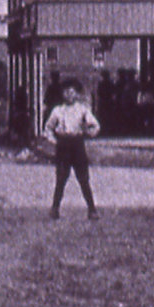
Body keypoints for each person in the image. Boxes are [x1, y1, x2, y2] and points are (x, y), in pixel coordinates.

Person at [42, 78, 101, 220]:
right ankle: (55, 209)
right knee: (61, 178)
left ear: (76, 94)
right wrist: (55, 141)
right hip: (63, 145)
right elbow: (47, 129)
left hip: (77, 144)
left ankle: (92, 210)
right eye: (66, 92)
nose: (69, 95)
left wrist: (88, 132)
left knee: (83, 179)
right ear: (62, 94)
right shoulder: (58, 111)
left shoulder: (82, 110)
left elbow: (95, 126)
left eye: (72, 92)